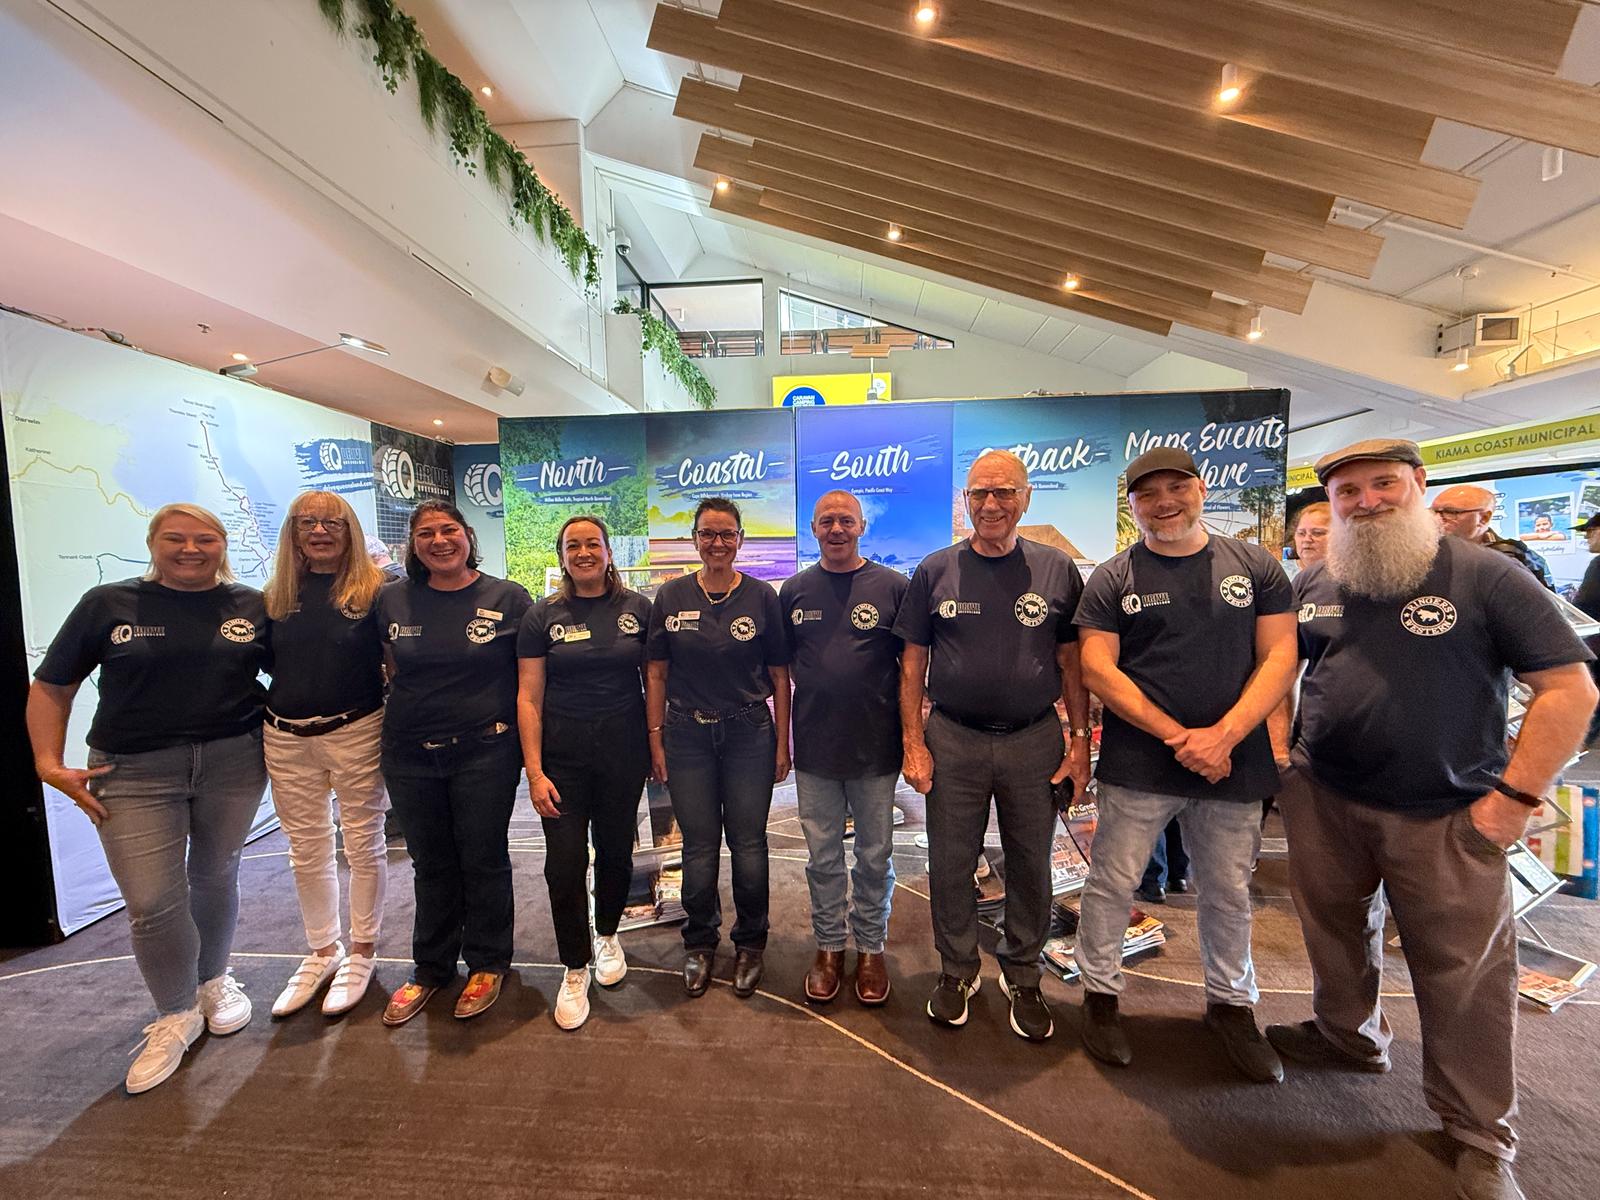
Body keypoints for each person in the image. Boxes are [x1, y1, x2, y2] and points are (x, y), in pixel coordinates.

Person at [1273, 439, 1596, 1200]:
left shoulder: (1488, 577)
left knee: (1465, 973)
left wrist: (1516, 799)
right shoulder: (1320, 578)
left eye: (1383, 484)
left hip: (1448, 811)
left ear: (1419, 486)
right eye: (1348, 492)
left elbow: (1569, 691)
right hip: (1325, 797)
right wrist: (1285, 755)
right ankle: (1349, 1038)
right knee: (1333, 928)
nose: (1367, 502)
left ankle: (1479, 1133)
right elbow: (1288, 669)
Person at [1072, 447, 1299, 1082]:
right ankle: (1100, 997)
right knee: (1113, 884)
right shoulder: (1115, 577)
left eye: (1176, 487)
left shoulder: (1254, 566)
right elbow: (1097, 668)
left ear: (1200, 489)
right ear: (1133, 505)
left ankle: (1231, 1005)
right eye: (1148, 494)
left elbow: (1281, 656)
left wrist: (1225, 735)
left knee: (1227, 890)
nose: (1164, 502)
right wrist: (1181, 737)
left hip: (1233, 759)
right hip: (1140, 760)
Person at [26, 503, 268, 1093]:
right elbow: (54, 684)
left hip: (234, 760)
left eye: (204, 539)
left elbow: (293, 674)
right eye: (176, 539)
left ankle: (213, 981)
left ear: (221, 544)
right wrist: (47, 763)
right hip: (132, 770)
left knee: (216, 876)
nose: (191, 549)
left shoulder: (251, 605)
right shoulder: (107, 604)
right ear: (153, 542)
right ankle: (175, 1013)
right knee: (153, 899)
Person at [895, 449, 1090, 1041]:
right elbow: (911, 663)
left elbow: (1072, 661)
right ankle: (957, 970)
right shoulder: (934, 570)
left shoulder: (1057, 569)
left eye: (1004, 492)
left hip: (1035, 740)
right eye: (979, 493)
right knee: (950, 861)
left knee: (1031, 861)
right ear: (965, 500)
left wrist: (1079, 743)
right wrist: (914, 741)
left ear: (1026, 498)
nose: (991, 504)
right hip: (952, 738)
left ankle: (1023, 973)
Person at [375, 501, 531, 1026]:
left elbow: (529, 681)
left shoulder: (508, 597)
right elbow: (389, 667)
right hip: (409, 753)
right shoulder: (391, 598)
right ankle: (431, 968)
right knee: (431, 863)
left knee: (483, 857)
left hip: (485, 751)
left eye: (449, 531)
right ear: (412, 544)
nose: (439, 541)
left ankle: (488, 962)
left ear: (468, 536)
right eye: (426, 534)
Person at [646, 498, 792, 1000]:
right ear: (694, 539)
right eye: (708, 534)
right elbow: (657, 673)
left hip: (749, 732)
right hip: (686, 735)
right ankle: (699, 943)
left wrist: (782, 741)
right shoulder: (670, 597)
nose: (717, 543)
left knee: (749, 845)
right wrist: (656, 739)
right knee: (699, 845)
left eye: (727, 534)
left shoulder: (762, 597)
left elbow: (779, 676)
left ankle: (751, 943)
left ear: (741, 539)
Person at [517, 515, 651, 1031]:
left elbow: (654, 681)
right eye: (573, 545)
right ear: (562, 555)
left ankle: (609, 934)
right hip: (562, 760)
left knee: (617, 852)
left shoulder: (638, 609)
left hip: (623, 754)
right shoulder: (541, 615)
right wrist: (534, 771)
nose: (584, 552)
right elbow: (528, 698)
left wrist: (656, 747)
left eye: (593, 542)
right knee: (565, 863)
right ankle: (574, 967)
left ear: (609, 550)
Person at [261, 492, 389, 1018]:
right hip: (285, 736)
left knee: (363, 840)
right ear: (293, 532)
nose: (319, 531)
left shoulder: (378, 593)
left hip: (356, 727)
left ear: (350, 530)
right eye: (307, 523)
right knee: (306, 847)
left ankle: (363, 951)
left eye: (331, 522)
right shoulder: (272, 596)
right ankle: (321, 951)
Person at [778, 490, 908, 1005]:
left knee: (875, 856)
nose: (836, 529)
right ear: (813, 528)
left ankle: (871, 948)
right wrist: (783, 741)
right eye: (827, 520)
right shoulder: (793, 591)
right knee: (822, 857)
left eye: (846, 521)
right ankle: (830, 946)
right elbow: (781, 674)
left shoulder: (894, 588)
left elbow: (913, 671)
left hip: (876, 749)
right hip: (815, 750)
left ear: (861, 528)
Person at [1430, 484, 1554, 589]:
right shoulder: (1424, 555)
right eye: (1433, 512)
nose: (1437, 519)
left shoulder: (1516, 557)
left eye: (1451, 512)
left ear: (1484, 518)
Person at [1291, 501, 1331, 569]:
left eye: (1317, 533)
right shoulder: (1276, 572)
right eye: (1301, 533)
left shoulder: (1349, 573)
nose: (1307, 539)